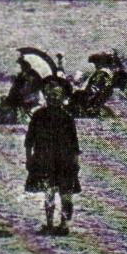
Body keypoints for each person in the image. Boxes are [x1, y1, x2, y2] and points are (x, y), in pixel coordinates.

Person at [24, 76, 81, 235]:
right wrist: (29, 160)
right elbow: (29, 141)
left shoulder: (67, 118)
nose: (52, 98)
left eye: (56, 95)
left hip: (65, 161)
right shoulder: (38, 116)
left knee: (65, 195)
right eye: (49, 95)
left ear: (63, 97)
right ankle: (49, 224)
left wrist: (76, 163)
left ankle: (63, 225)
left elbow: (74, 144)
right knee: (48, 193)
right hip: (44, 160)